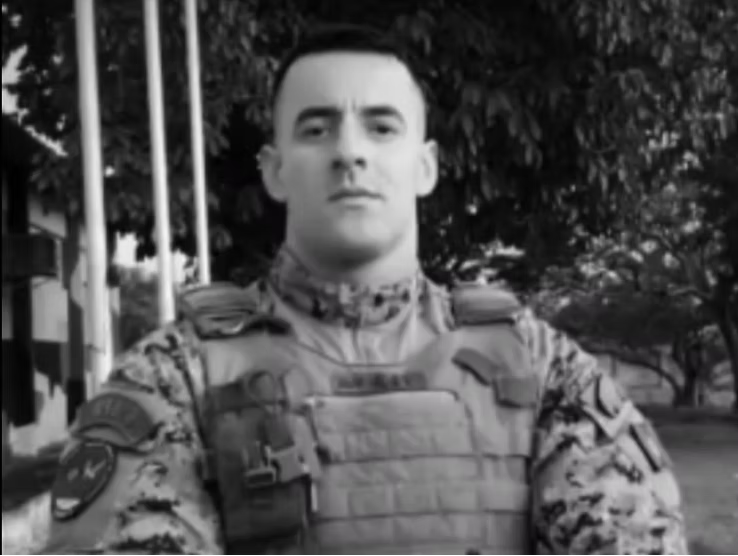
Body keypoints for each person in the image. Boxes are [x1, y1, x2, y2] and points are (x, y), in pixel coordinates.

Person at [41, 25, 688, 554]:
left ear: (426, 165)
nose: (349, 152)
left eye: (381, 127)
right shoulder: (173, 379)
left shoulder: (541, 369)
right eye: (316, 128)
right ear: (273, 171)